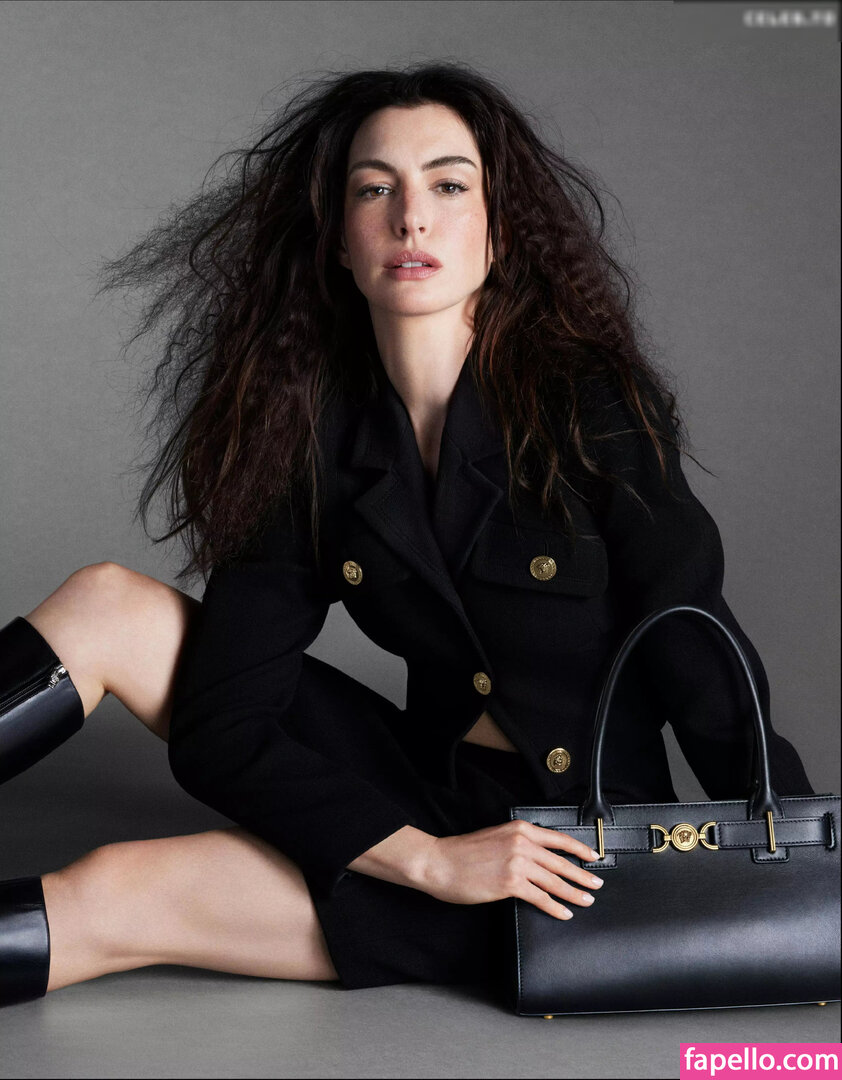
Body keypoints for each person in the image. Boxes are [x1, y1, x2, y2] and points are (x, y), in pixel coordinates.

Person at [0, 61, 815, 1009]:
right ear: (339, 241)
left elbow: (699, 663)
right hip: (412, 812)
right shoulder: (309, 437)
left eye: (449, 186)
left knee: (110, 893)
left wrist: (807, 866)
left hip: (563, 865)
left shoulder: (588, 408)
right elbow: (223, 725)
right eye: (374, 189)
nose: (411, 219)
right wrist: (427, 858)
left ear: (499, 230)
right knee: (106, 603)